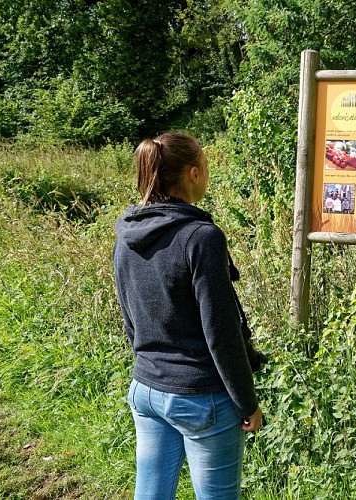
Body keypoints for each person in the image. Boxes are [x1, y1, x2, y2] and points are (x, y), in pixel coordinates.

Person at [113, 132, 263, 500]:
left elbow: (129, 316)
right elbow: (221, 333)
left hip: (146, 389)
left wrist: (153, 366)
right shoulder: (201, 237)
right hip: (202, 397)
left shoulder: (127, 231)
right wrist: (247, 401)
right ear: (193, 173)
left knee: (150, 493)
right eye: (207, 168)